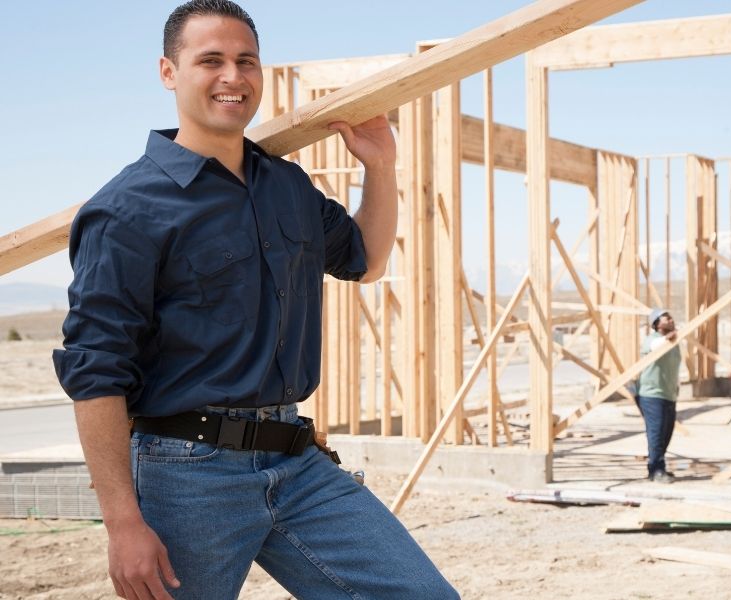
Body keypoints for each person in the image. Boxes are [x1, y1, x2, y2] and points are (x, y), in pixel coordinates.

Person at [52, 2, 459, 598]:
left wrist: (380, 164)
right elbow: (95, 372)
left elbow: (365, 262)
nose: (232, 77)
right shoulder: (127, 209)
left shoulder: (286, 185)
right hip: (186, 474)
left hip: (297, 463)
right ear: (169, 72)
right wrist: (122, 521)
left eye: (247, 61)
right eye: (209, 60)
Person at [637, 308, 681, 483]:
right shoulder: (653, 340)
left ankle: (655, 468)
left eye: (671, 317)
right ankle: (657, 471)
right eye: (666, 318)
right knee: (655, 433)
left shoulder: (674, 343)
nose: (671, 320)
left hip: (668, 394)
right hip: (651, 394)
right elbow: (656, 347)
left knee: (666, 433)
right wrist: (669, 338)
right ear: (656, 324)